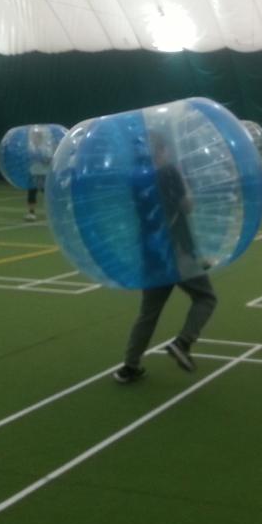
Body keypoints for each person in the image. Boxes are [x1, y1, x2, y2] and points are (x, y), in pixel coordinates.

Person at [113, 134, 216, 383]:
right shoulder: (169, 172)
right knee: (206, 298)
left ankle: (130, 365)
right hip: (176, 251)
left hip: (151, 252)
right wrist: (185, 183)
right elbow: (186, 206)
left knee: (148, 313)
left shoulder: (137, 178)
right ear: (161, 150)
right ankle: (183, 342)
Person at [24, 128, 51, 221]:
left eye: (37, 137)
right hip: (33, 173)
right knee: (31, 193)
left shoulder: (46, 149)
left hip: (43, 174)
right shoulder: (30, 149)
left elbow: (49, 160)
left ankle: (52, 211)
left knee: (47, 193)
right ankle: (31, 213)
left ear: (40, 138)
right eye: (34, 137)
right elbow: (27, 160)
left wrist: (43, 158)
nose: (35, 138)